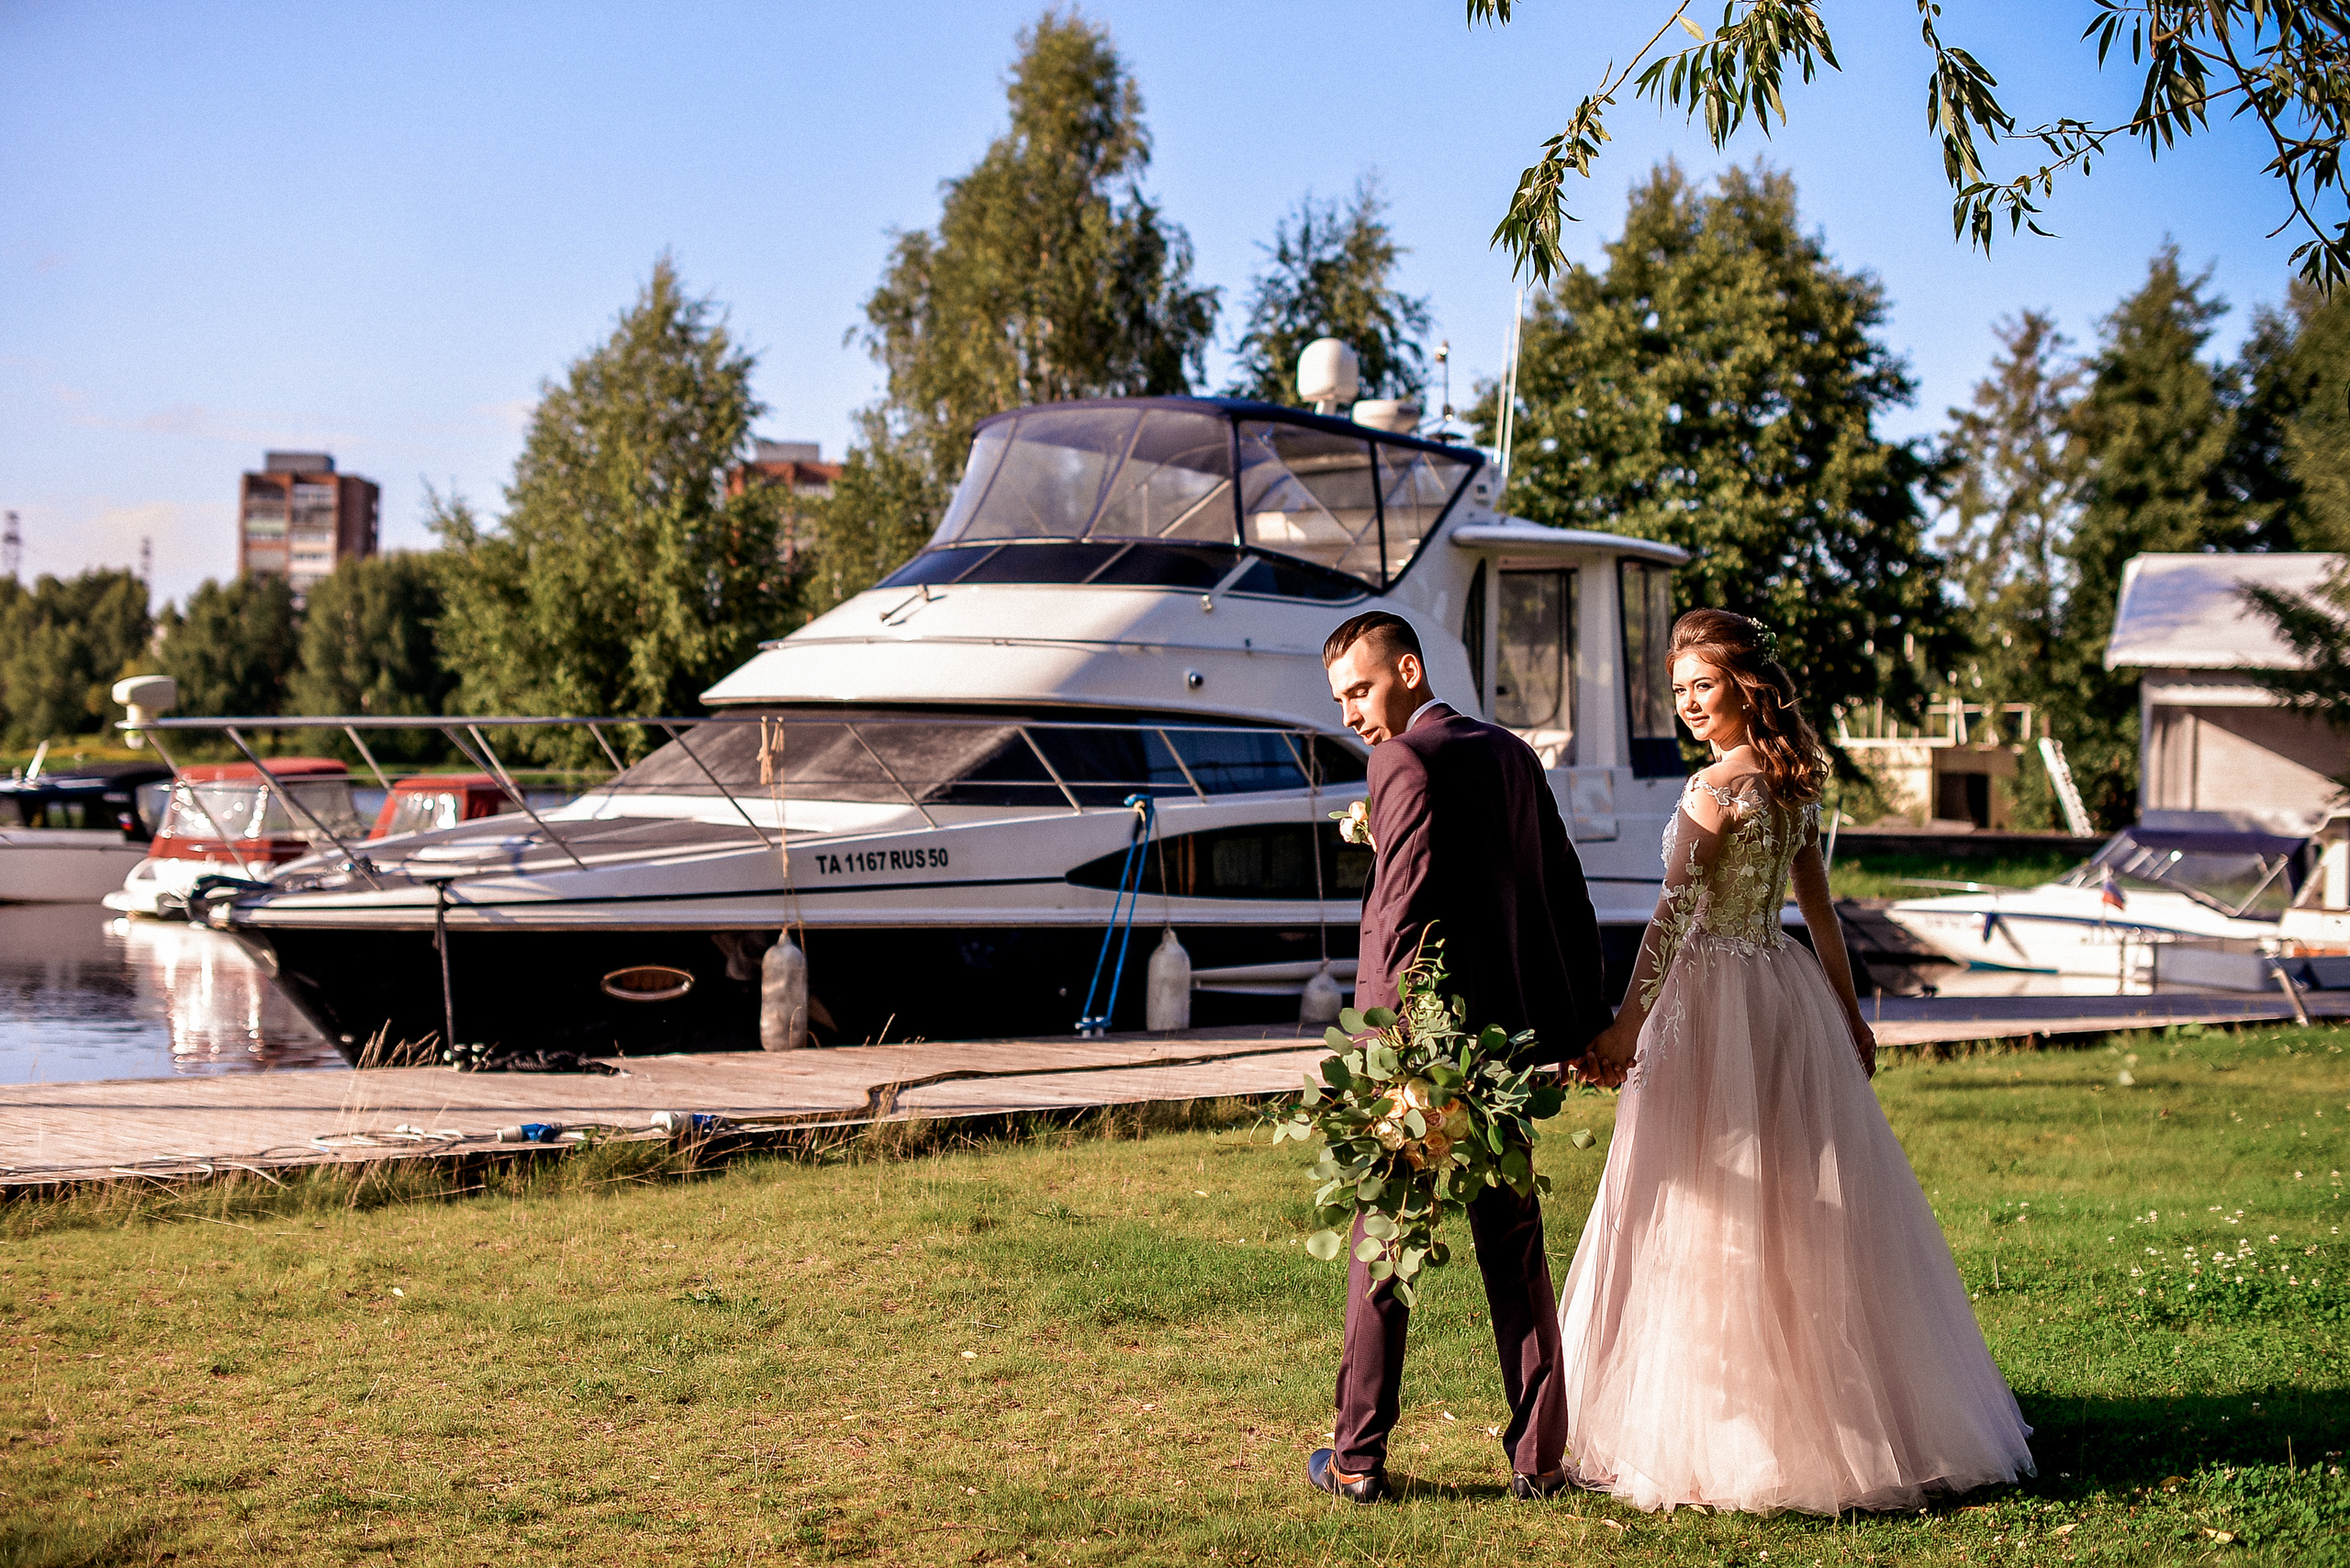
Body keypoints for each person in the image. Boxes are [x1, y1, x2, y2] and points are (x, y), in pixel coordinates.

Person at [1559, 609, 2035, 1515]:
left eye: (1703, 684)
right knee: (1780, 1196)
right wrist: (1844, 1015)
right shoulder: (1788, 781)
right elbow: (1816, 914)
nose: (1690, 703)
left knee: (1705, 1190)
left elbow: (1671, 917)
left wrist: (1626, 1027)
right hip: (1778, 994)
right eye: (1679, 691)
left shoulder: (1716, 789)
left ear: (1743, 684)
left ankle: (1730, 1423)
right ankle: (1808, 1410)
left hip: (1712, 994)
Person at [1307, 610, 1611, 1505]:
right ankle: (1539, 1457)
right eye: (1339, 699)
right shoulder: (1511, 752)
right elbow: (1564, 894)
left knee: (1386, 1246)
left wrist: (1375, 1058)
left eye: (1360, 690)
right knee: (1515, 1251)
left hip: (1426, 1055)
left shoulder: (1404, 760)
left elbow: (1392, 921)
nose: (1351, 713)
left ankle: (1357, 1455)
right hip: (1507, 1048)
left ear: (1407, 668)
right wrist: (1578, 1025)